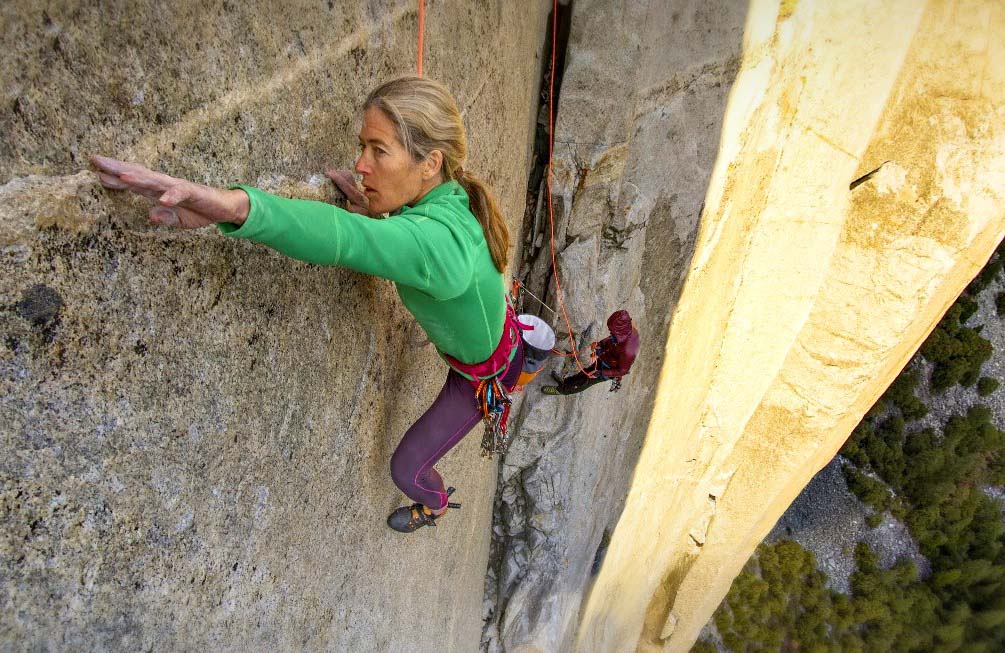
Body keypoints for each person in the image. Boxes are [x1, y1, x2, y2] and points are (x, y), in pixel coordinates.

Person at [90, 76, 524, 533]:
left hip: (486, 376)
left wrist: (232, 207)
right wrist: (387, 216)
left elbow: (345, 239)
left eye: (379, 151)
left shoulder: (441, 246)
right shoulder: (447, 198)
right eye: (364, 147)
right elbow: (403, 234)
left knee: (407, 470)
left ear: (430, 162)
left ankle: (433, 505)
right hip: (494, 338)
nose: (360, 165)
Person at [541, 310, 639, 396]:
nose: (610, 332)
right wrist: (600, 344)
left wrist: (601, 373)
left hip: (608, 370)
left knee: (584, 382)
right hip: (604, 360)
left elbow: (622, 371)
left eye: (612, 331)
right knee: (584, 373)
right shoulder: (624, 333)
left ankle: (561, 390)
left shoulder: (628, 351)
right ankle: (565, 382)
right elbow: (612, 339)